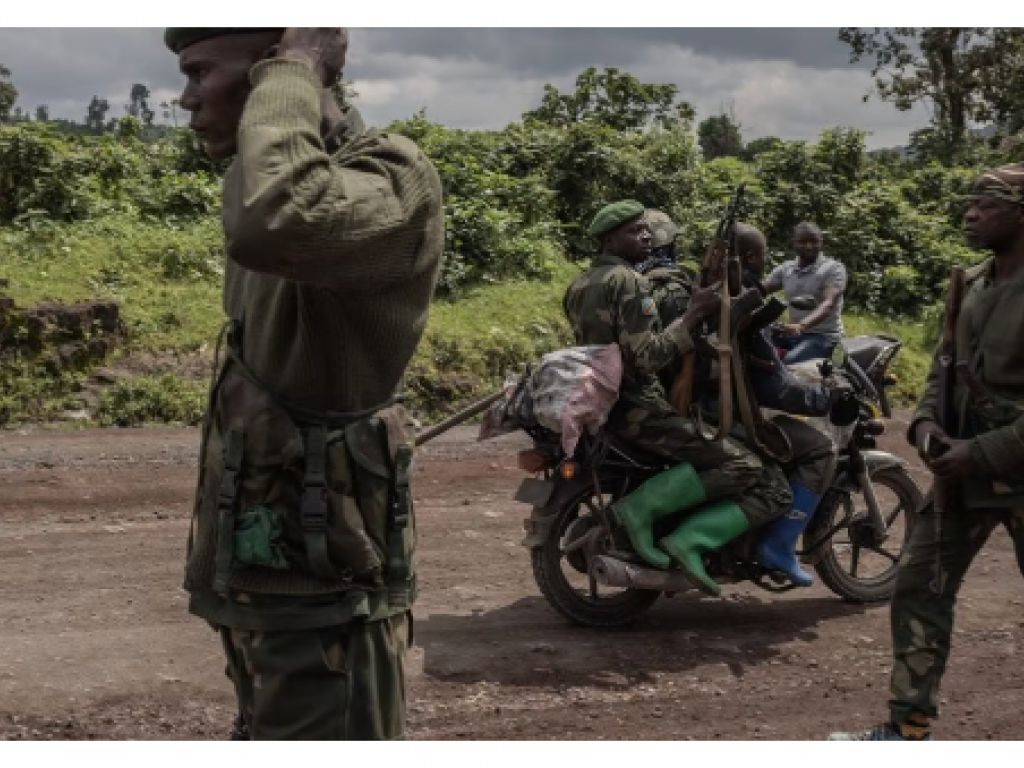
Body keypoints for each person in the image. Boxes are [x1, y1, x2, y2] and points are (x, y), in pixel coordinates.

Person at [164, 27, 444, 740]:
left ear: (271, 73)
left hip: (327, 600)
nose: (186, 98)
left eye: (201, 72)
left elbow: (277, 214)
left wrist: (295, 68)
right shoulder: (265, 183)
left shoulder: (389, 178)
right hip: (272, 582)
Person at [830, 164, 1024, 741]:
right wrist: (926, 425)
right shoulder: (969, 283)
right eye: (971, 204)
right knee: (919, 588)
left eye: (985, 205)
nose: (970, 214)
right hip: (961, 479)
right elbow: (944, 368)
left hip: (1008, 468)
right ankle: (906, 728)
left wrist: (983, 450)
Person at [563, 201, 792, 596]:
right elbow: (647, 355)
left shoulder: (579, 284)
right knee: (745, 465)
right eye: (635, 231)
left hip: (608, 404)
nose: (646, 235)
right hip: (639, 408)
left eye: (645, 229)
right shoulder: (631, 283)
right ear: (608, 239)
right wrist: (693, 315)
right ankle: (649, 517)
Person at [641, 214, 839, 587]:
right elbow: (775, 390)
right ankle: (778, 546)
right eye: (762, 257)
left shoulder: (692, 289)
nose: (765, 265)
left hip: (676, 404)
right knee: (814, 452)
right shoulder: (737, 302)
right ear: (748, 260)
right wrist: (823, 397)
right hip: (714, 413)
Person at [765, 222, 847, 364]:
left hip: (823, 337)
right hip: (791, 334)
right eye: (803, 242)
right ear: (794, 244)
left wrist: (801, 326)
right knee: (754, 349)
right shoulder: (787, 269)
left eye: (814, 241)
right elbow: (760, 289)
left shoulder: (833, 269)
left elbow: (828, 304)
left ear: (821, 243)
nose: (809, 246)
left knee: (788, 362)